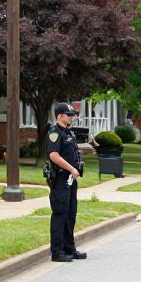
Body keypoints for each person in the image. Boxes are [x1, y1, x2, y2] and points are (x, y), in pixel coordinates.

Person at [45, 102, 87, 263]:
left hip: (71, 179)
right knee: (60, 214)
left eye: (72, 115)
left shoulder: (68, 133)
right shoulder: (54, 132)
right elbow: (54, 155)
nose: (71, 117)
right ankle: (57, 252)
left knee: (70, 214)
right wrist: (71, 168)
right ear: (60, 116)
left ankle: (69, 248)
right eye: (68, 115)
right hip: (61, 179)